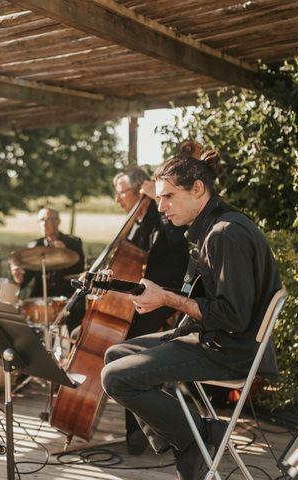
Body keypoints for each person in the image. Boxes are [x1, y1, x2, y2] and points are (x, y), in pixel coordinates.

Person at [101, 147, 281, 479]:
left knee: (116, 378)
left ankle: (194, 442)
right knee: (115, 354)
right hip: (211, 337)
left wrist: (167, 299)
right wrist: (156, 298)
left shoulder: (226, 234)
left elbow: (233, 316)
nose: (161, 206)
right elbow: (202, 297)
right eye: (158, 198)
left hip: (231, 349)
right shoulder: (209, 228)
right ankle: (196, 434)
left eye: (168, 196)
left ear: (197, 188)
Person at [112, 166, 189, 455]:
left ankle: (141, 429)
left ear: (139, 189)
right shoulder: (138, 221)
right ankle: (140, 427)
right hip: (142, 298)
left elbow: (177, 243)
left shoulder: (163, 213)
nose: (118, 199)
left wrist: (157, 202)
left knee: (128, 349)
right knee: (124, 348)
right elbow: (128, 258)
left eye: (121, 192)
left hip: (167, 296)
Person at [11, 207, 85, 333]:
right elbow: (25, 278)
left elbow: (80, 271)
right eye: (41, 220)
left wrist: (65, 253)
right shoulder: (35, 246)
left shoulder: (73, 243)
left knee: (77, 312)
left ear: (58, 221)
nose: (44, 223)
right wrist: (19, 278)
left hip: (66, 297)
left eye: (49, 219)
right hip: (40, 297)